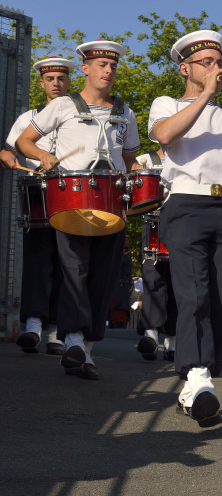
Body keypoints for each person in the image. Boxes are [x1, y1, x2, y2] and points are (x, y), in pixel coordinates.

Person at [149, 30, 222, 427]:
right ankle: (197, 375)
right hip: (186, 203)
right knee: (194, 292)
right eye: (206, 62)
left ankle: (198, 381)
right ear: (185, 68)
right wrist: (205, 95)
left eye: (219, 60)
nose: (216, 67)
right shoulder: (166, 103)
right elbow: (165, 135)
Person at [16, 41, 139, 380]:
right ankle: (71, 339)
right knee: (74, 270)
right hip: (72, 196)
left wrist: (134, 176)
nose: (108, 71)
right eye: (101, 65)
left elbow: (129, 157)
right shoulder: (62, 107)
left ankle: (86, 348)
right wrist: (42, 156)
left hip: (111, 199)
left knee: (102, 274)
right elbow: (24, 141)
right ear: (85, 69)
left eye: (112, 66)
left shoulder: (125, 111)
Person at [3, 56, 71, 355]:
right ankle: (32, 326)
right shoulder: (28, 117)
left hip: (72, 193)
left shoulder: (79, 117)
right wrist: (6, 156)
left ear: (70, 81)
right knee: (38, 259)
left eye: (61, 79)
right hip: (37, 195)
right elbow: (8, 149)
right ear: (42, 83)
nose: (56, 84)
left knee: (67, 263)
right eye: (50, 79)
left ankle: (56, 332)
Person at [134, 150, 176, 361]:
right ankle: (150, 335)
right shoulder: (147, 159)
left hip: (181, 223)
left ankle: (173, 340)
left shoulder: (188, 155)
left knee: (179, 283)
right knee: (152, 280)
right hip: (153, 225)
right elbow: (131, 173)